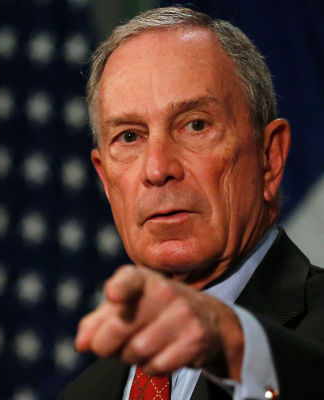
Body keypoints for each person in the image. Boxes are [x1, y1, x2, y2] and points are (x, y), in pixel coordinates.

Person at [58, 6, 324, 400]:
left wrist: (235, 346)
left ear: (270, 158)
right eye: (129, 137)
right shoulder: (83, 393)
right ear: (106, 180)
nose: (157, 169)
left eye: (196, 124)